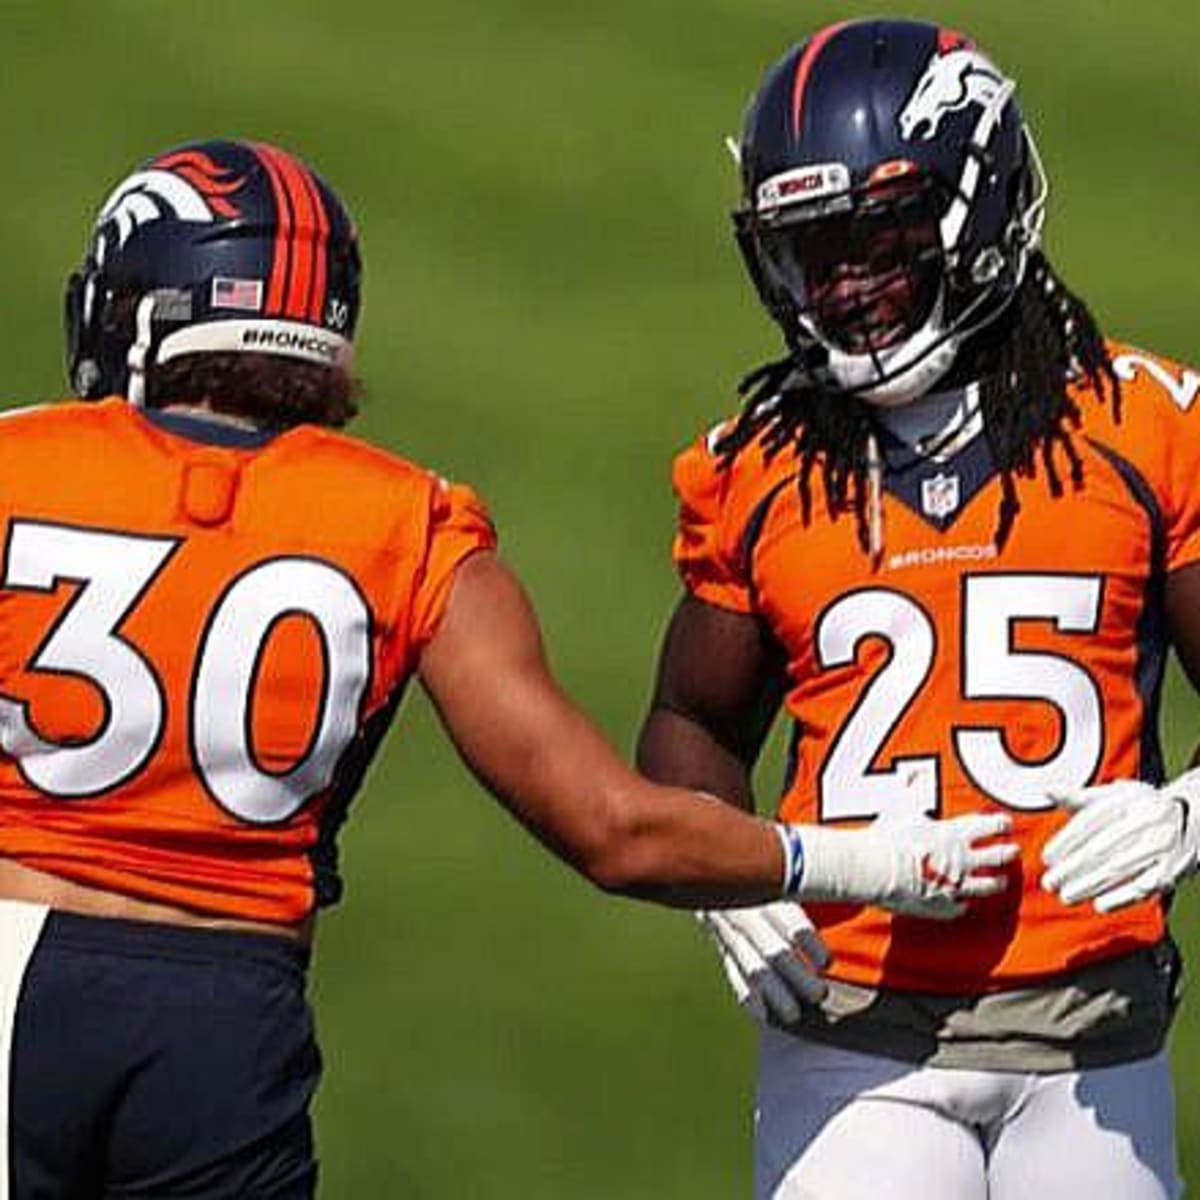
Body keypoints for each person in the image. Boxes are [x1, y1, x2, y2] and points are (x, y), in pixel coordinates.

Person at [0, 139, 1016, 1197]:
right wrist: (879, 863)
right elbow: (614, 830)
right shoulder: (408, 520)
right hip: (226, 1021)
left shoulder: (17, 465)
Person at [637, 17, 1199, 1200]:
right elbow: (693, 726)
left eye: (878, 241)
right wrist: (735, 880)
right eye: (811, 252)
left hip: (1090, 1019)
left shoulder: (1145, 426)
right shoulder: (761, 465)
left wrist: (1195, 811)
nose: (843, 285)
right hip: (851, 1024)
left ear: (979, 209)